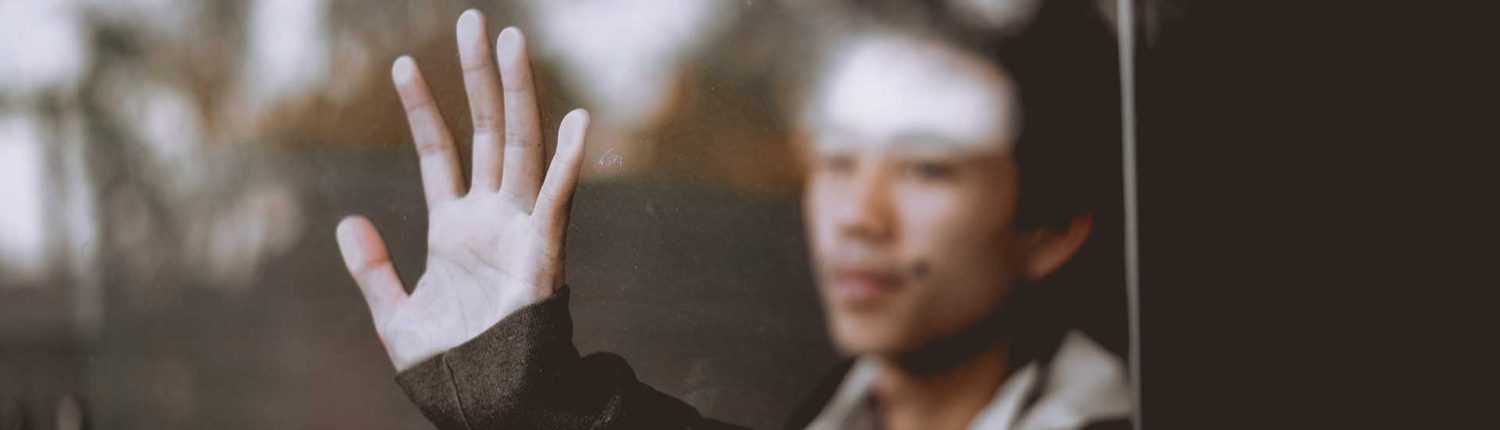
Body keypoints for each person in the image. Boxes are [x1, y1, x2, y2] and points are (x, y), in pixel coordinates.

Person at [334, 1, 1130, 428]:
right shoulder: (841, 410)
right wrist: (523, 391)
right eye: (839, 160)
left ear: (1052, 230)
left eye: (928, 167)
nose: (859, 215)